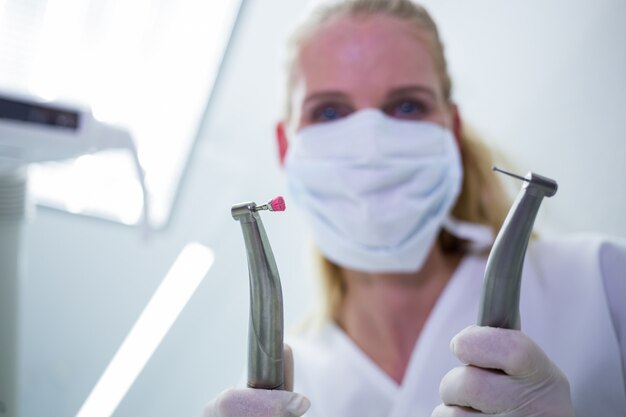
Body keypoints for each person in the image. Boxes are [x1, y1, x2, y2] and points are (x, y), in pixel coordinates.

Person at [204, 0, 626, 416]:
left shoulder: (601, 282)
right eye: (330, 111)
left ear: (452, 129)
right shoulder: (273, 393)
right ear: (285, 145)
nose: (370, 148)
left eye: (406, 106)